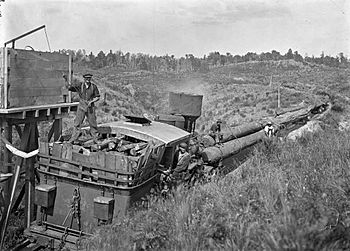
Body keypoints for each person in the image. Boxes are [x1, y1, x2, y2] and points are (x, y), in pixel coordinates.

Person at [63, 73, 100, 143]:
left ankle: (96, 139)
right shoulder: (80, 86)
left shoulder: (93, 87)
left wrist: (92, 101)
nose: (88, 80)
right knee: (77, 123)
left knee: (93, 123)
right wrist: (66, 79)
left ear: (90, 78)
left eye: (89, 78)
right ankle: (73, 139)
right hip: (82, 105)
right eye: (86, 78)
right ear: (84, 79)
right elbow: (69, 87)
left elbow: (97, 97)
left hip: (90, 106)